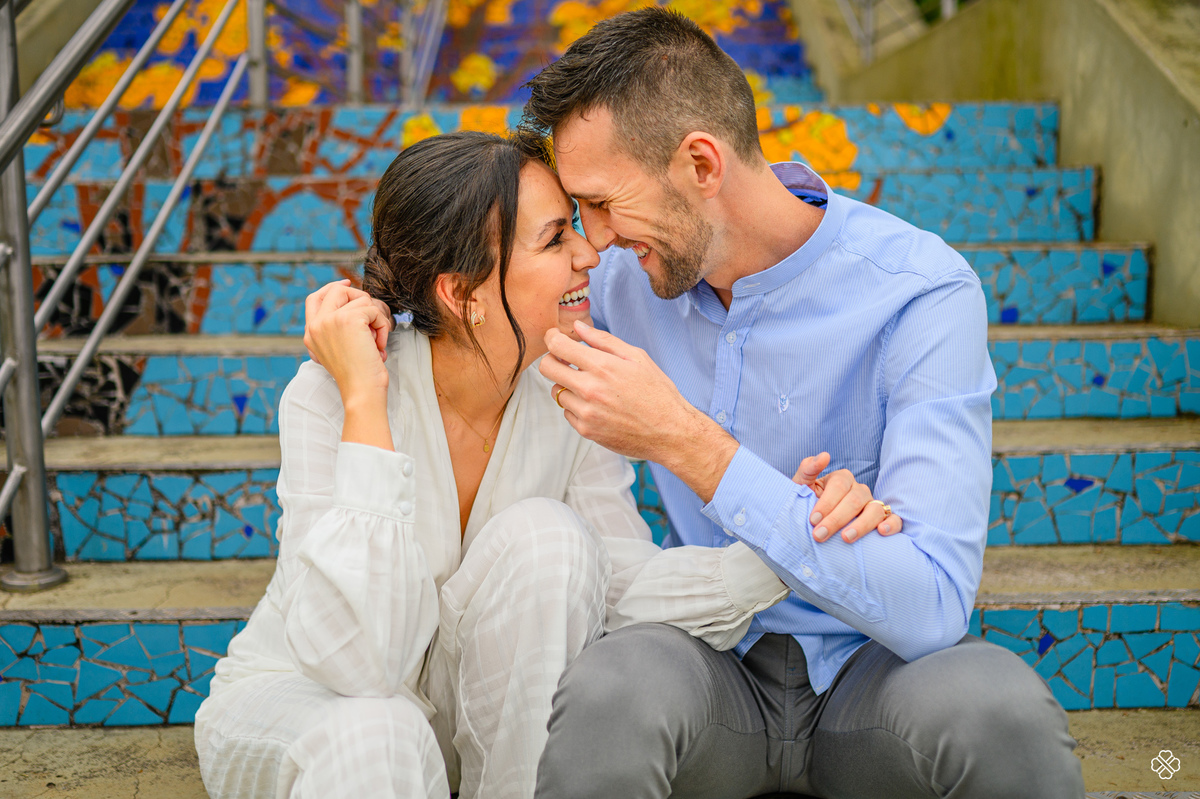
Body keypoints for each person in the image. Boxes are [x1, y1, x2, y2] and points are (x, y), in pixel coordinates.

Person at [195, 130, 895, 799]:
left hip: (459, 716)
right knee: (381, 731)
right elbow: (361, 664)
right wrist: (364, 399)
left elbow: (616, 581)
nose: (590, 255)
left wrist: (788, 536)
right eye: (556, 237)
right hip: (314, 708)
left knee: (550, 536)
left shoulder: (569, 392)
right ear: (462, 291)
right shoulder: (332, 393)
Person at [514, 9, 1086, 799]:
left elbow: (931, 604)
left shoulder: (920, 292)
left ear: (701, 164)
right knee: (611, 689)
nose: (597, 237)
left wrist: (692, 446)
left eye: (606, 203)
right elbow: (483, 302)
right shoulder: (617, 282)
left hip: (873, 676)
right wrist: (379, 323)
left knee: (1000, 711)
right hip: (704, 666)